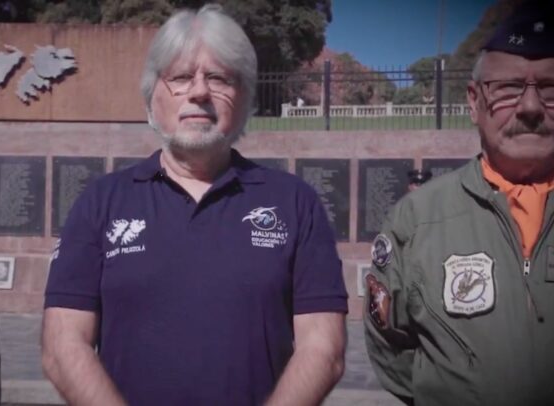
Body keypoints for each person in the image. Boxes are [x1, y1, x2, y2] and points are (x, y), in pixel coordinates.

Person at [41, 4, 348, 405]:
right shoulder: (101, 202)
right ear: (153, 97)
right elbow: (63, 347)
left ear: (245, 97)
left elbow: (323, 350)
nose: (200, 92)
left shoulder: (294, 203)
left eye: (219, 77)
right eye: (182, 77)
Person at [364, 4, 554, 406]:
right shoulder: (417, 219)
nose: (532, 107)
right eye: (509, 89)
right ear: (473, 101)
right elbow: (388, 340)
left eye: (552, 89)